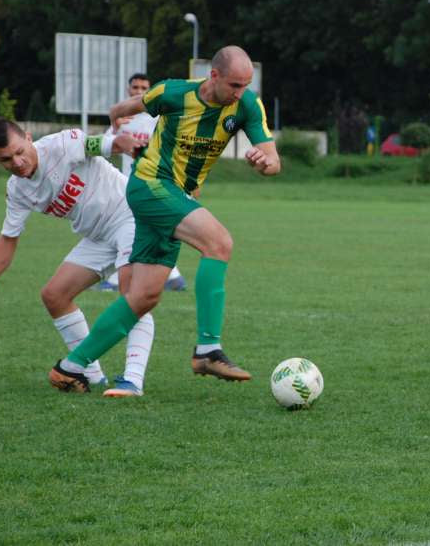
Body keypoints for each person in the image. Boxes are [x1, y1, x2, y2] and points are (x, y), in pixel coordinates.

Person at [48, 45, 281, 393]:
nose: (240, 93)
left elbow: (273, 160)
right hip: (149, 185)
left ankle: (70, 367)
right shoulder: (174, 92)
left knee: (144, 296)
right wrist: (117, 115)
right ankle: (207, 349)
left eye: (246, 85)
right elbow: (127, 107)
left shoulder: (247, 105)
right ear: (213, 76)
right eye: (234, 85)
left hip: (177, 198)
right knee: (219, 243)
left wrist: (264, 164)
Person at [0, 118, 155, 397]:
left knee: (133, 294)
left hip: (129, 214)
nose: (17, 162)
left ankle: (132, 381)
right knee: (54, 295)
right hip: (97, 236)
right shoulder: (18, 189)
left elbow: (106, 143)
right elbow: (8, 238)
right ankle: (92, 376)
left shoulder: (62, 144)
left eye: (20, 151)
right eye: (6, 159)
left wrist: (127, 143)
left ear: (29, 137)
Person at [97, 73, 188, 292]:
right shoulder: (122, 120)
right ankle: (173, 276)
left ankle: (116, 280)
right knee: (143, 231)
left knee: (134, 232)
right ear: (129, 90)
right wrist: (116, 129)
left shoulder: (158, 119)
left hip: (152, 184)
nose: (138, 91)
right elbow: (106, 146)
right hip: (126, 185)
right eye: (135, 87)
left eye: (143, 87)